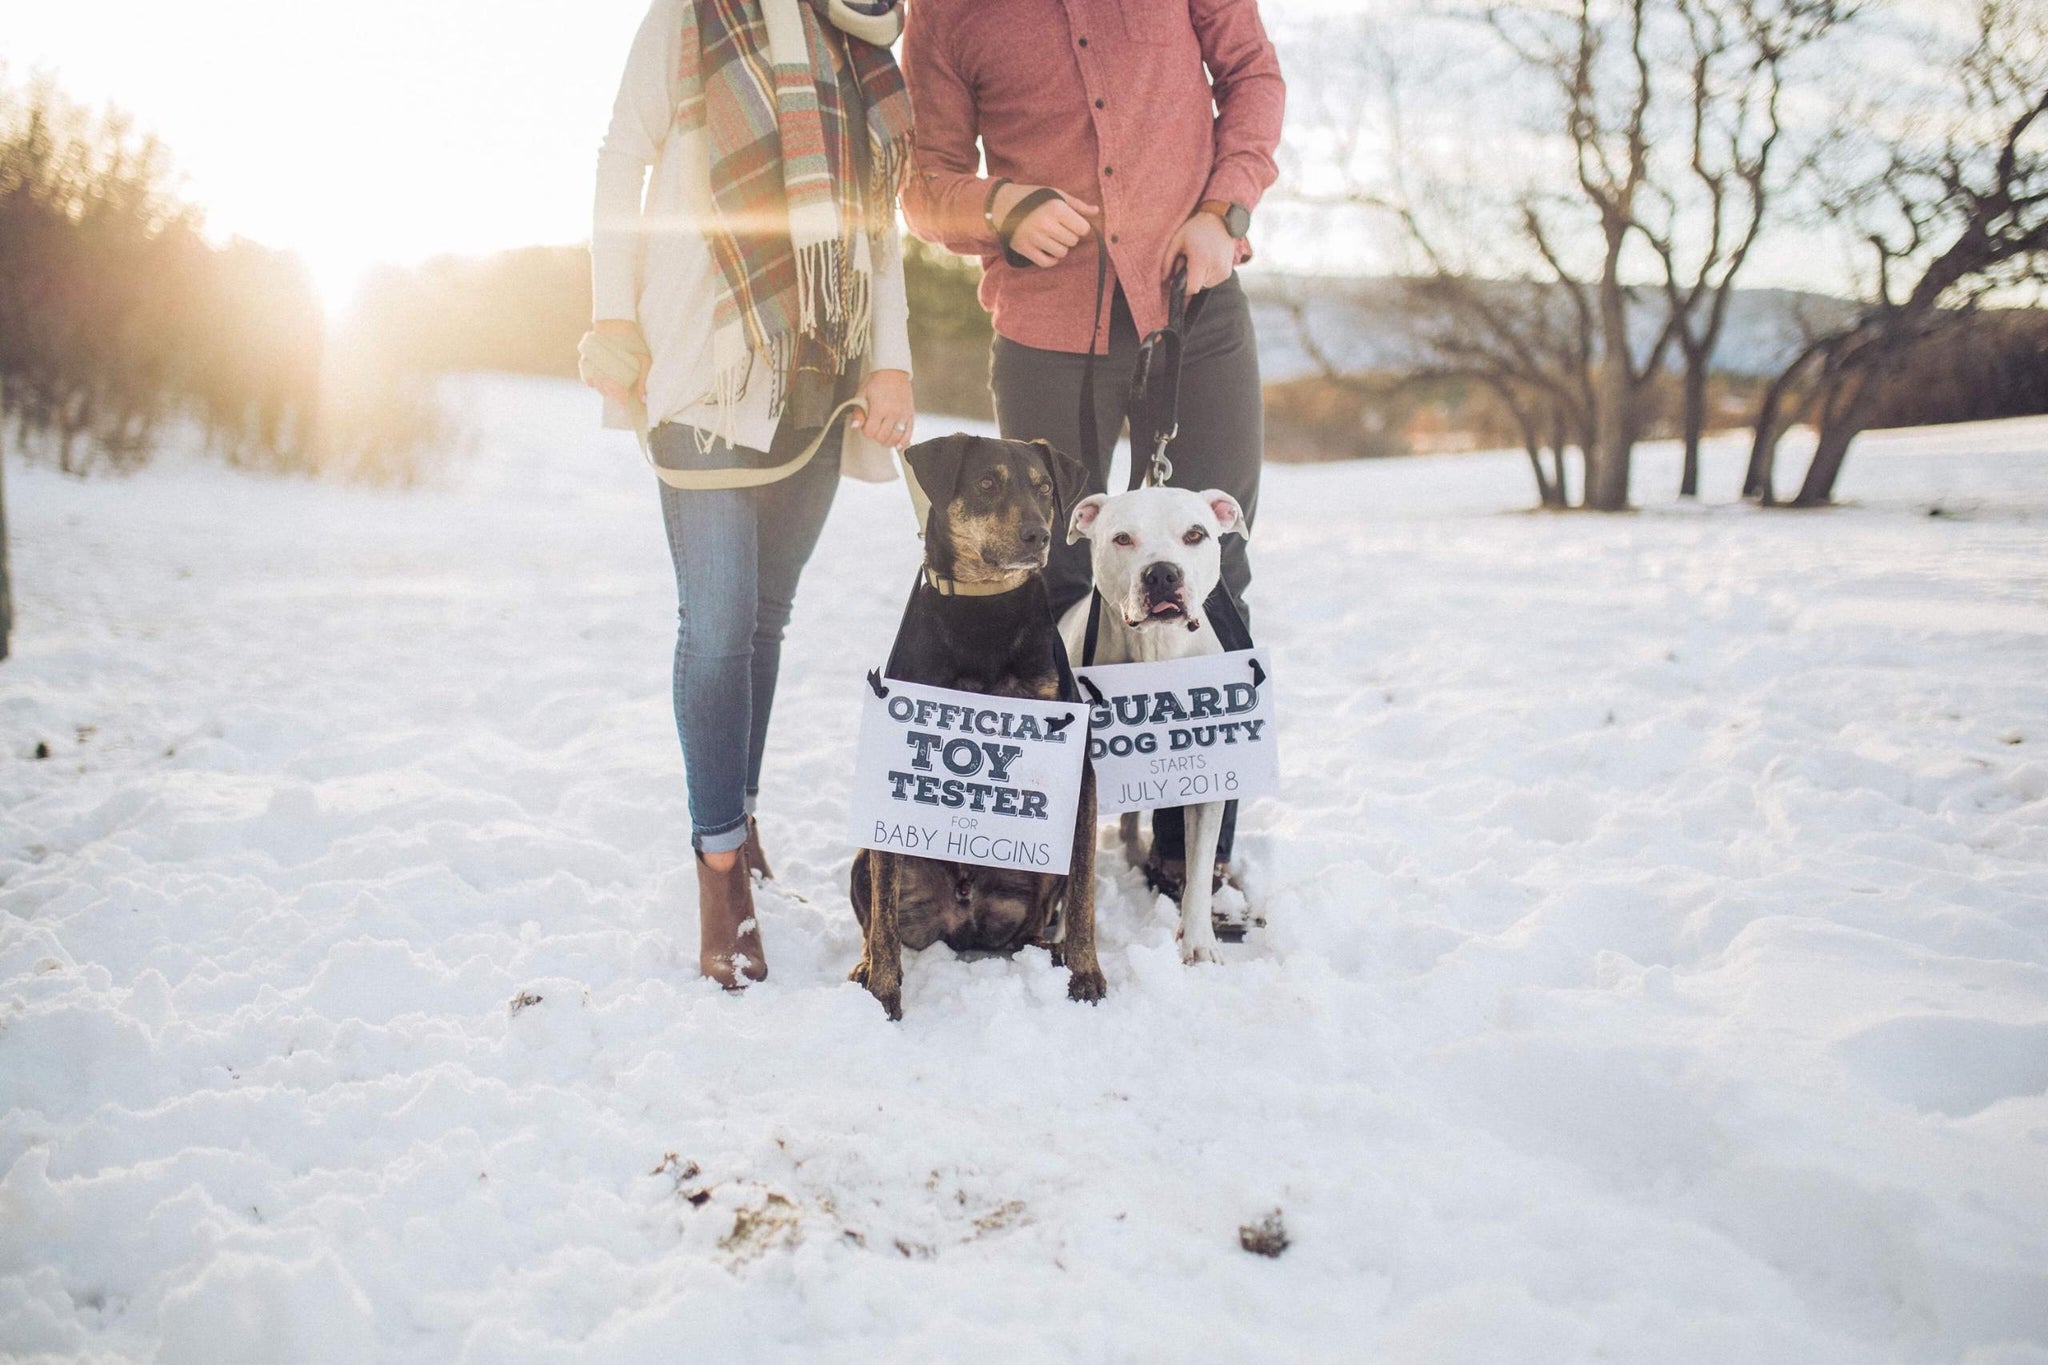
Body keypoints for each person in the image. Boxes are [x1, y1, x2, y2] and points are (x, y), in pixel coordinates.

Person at [899, 0, 1283, 893]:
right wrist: (999, 206)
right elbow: (924, 185)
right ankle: (1040, 840)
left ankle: (1190, 854)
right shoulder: (944, 13)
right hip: (1044, 327)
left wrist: (1223, 212)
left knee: (1213, 567)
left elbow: (1253, 76)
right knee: (1047, 573)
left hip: (1195, 303)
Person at [584, 0, 916, 990]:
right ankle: (719, 867)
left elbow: (879, 223)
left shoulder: (863, 40)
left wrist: (890, 360)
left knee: (766, 616)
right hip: (704, 361)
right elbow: (621, 158)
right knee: (720, 621)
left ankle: (741, 809)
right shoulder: (693, 15)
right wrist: (609, 312)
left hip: (820, 367)